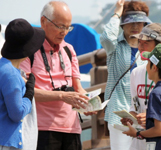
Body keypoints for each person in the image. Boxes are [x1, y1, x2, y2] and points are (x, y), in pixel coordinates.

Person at [20, 1, 93, 150]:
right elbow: (24, 92)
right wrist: (61, 96)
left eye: (68, 27)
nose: (64, 32)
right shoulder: (29, 50)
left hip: (72, 128)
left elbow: (78, 88)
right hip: (41, 128)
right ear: (43, 21)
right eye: (60, 26)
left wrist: (89, 102)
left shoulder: (69, 49)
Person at [100, 0, 151, 149]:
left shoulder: (148, 49)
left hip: (143, 114)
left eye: (139, 22)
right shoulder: (114, 46)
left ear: (145, 24)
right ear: (122, 23)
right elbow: (107, 38)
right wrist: (117, 11)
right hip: (119, 112)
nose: (135, 26)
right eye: (130, 22)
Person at [0, 18, 45, 149]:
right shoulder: (12, 74)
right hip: (8, 144)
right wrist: (29, 96)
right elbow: (16, 114)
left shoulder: (3, 67)